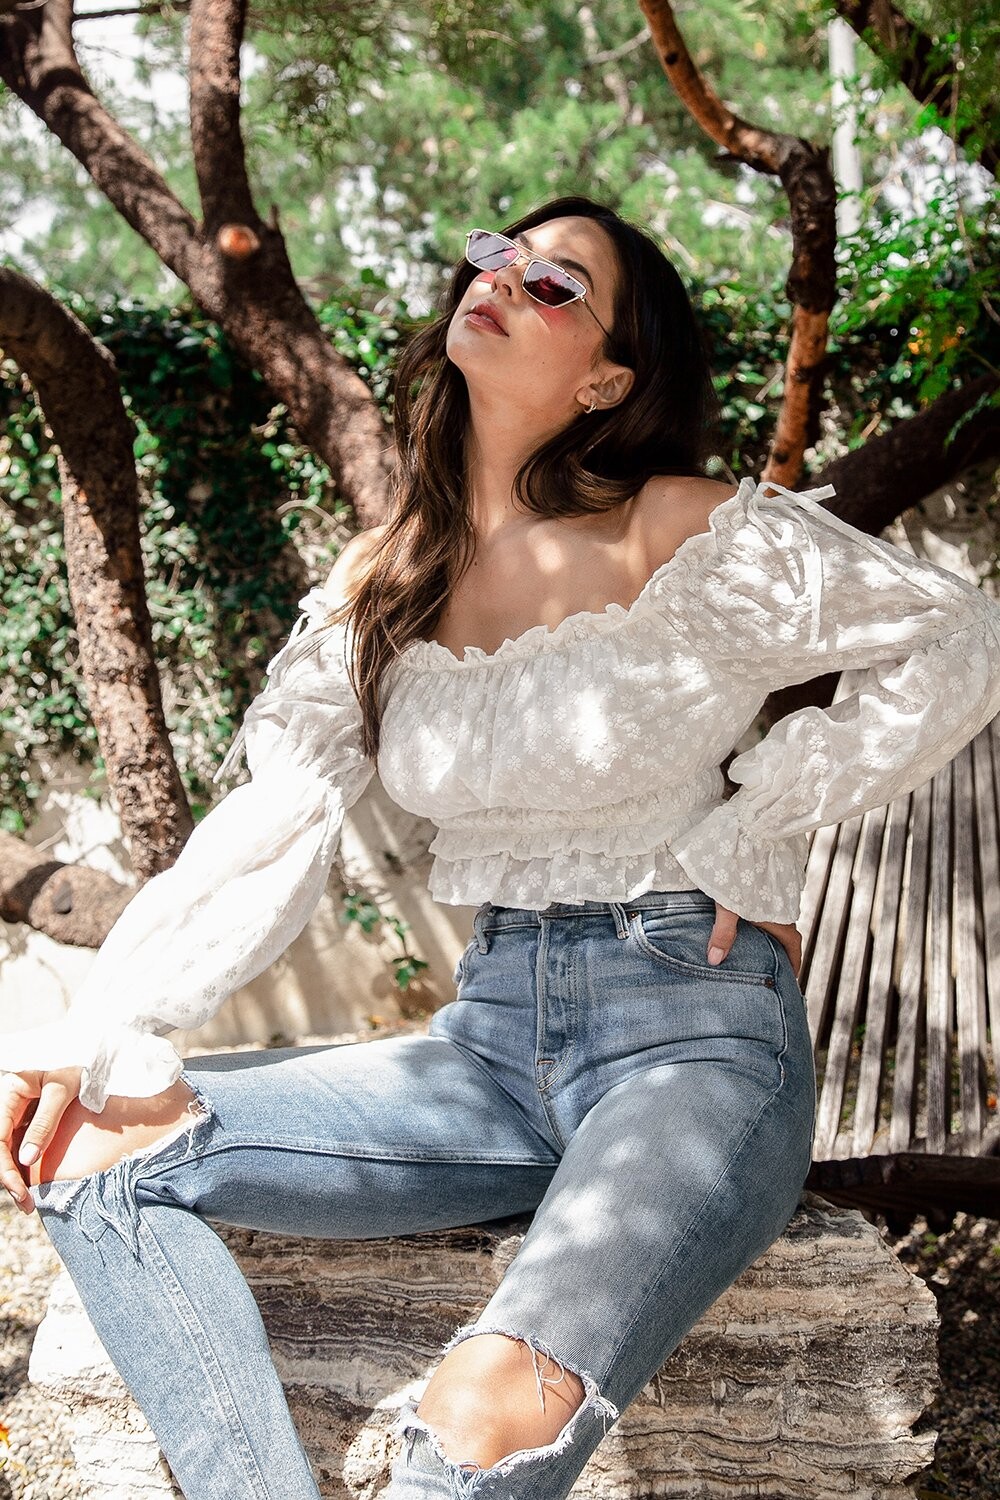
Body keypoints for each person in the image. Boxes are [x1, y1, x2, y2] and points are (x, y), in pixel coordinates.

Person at [2, 193, 999, 1500]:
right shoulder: (385, 579)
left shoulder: (677, 529)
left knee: (481, 1410)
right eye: (498, 256)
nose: (506, 280)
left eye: (556, 285)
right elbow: (275, 813)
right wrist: (113, 1024)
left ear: (608, 379)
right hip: (482, 1047)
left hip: (692, 1040)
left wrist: (762, 821)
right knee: (90, 1148)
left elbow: (956, 631)